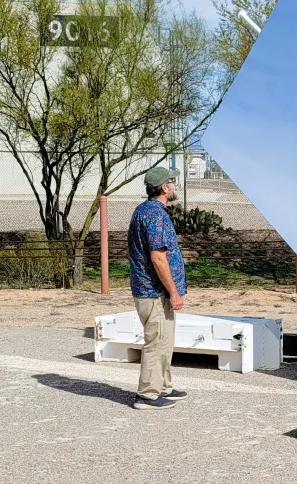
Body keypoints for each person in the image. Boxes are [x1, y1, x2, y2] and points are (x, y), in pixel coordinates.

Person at [127, 166, 188, 410]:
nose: (174, 186)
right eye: (172, 182)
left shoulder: (145, 210)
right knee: (156, 342)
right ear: (164, 187)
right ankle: (147, 395)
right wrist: (173, 291)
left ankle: (163, 386)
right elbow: (158, 257)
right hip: (154, 291)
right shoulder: (155, 215)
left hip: (153, 290)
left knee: (164, 341)